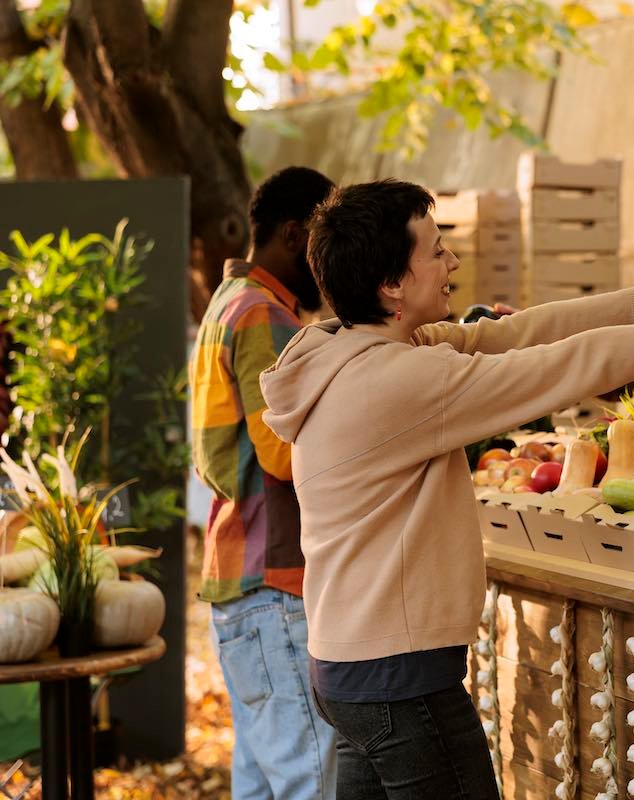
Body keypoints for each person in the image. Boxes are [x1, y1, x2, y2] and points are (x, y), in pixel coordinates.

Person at [258, 179, 634, 799]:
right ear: (392, 284)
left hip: (349, 672)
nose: (453, 263)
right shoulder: (401, 380)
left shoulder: (348, 351)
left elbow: (516, 335)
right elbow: (560, 367)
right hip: (400, 683)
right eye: (437, 252)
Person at [189, 166, 337, 799]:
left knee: (261, 781)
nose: (332, 262)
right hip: (275, 583)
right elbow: (284, 455)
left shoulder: (224, 306)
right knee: (313, 779)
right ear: (293, 232)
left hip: (237, 580)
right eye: (324, 241)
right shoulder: (263, 314)